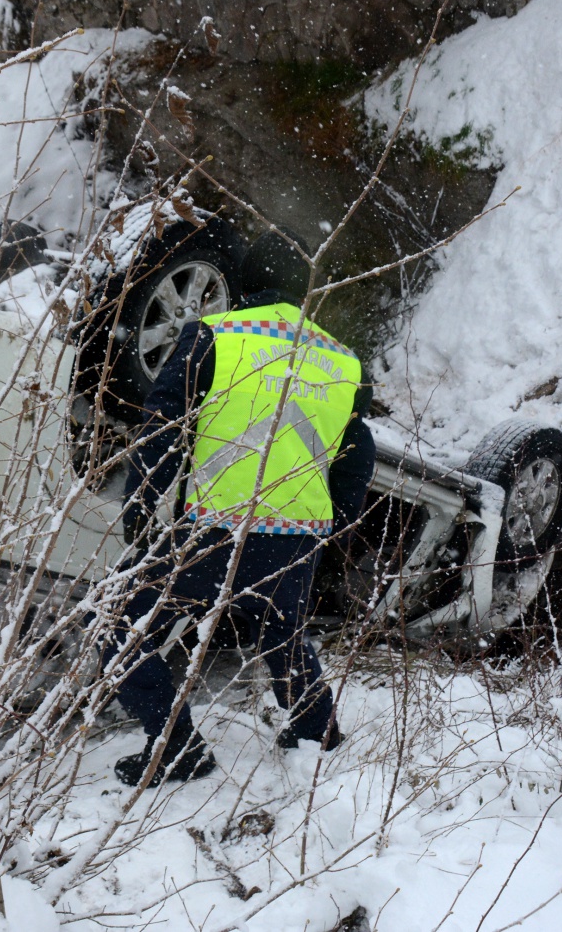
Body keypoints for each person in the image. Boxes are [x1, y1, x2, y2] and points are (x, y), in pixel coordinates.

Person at [103, 268, 376, 786]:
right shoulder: (343, 361)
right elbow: (356, 457)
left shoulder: (216, 336)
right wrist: (330, 528)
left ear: (247, 291)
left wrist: (140, 507)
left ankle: (175, 749)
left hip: (215, 529)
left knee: (121, 624)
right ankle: (317, 737)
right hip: (296, 537)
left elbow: (163, 429)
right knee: (283, 638)